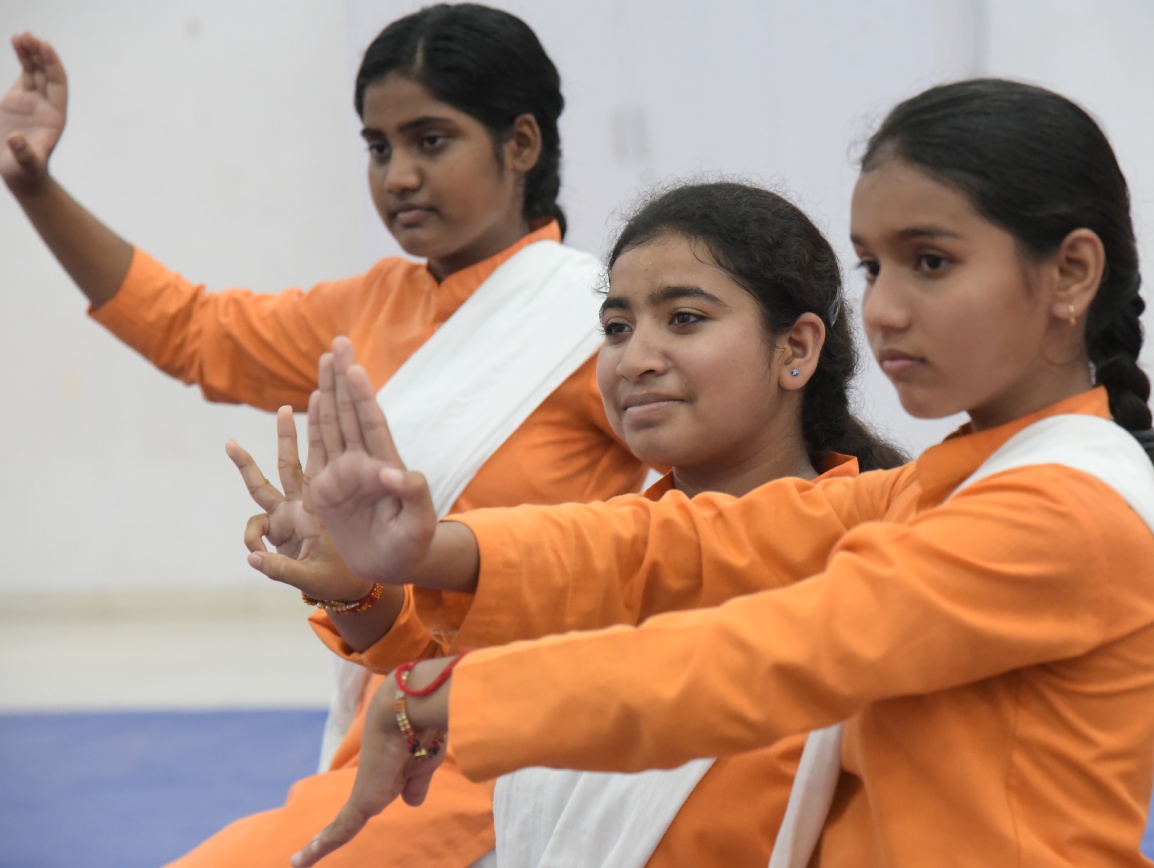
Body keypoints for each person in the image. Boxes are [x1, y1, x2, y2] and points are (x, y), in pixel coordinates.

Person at [292, 78, 1154, 867]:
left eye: (931, 262)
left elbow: (769, 654)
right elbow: (674, 546)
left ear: (1071, 272)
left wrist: (451, 695)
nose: (884, 308)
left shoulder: (1055, 512)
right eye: (873, 266)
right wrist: (428, 549)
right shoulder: (951, 480)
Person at [1, 7, 647, 867]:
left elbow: (702, 525)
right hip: (391, 727)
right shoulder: (369, 306)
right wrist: (35, 188)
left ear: (520, 143)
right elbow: (194, 331)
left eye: (430, 140)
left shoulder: (595, 325)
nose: (399, 176)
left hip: (524, 748)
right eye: (378, 147)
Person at [241, 180, 907, 866]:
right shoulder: (599, 547)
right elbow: (466, 669)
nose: (636, 359)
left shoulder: (872, 557)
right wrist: (354, 588)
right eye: (617, 328)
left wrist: (426, 554)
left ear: (796, 349)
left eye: (684, 318)